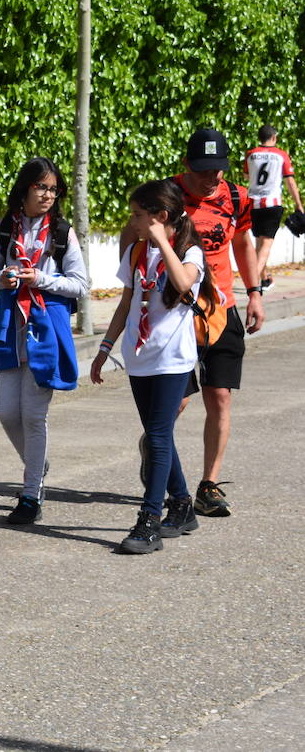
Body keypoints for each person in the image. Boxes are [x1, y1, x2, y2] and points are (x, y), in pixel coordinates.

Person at [121, 128, 264, 517]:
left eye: (219, 170)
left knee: (219, 396)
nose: (212, 178)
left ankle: (208, 485)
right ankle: (156, 448)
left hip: (220, 311)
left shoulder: (236, 197)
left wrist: (255, 292)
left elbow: (242, 245)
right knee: (174, 406)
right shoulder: (167, 196)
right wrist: (136, 278)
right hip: (176, 313)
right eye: (203, 171)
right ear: (187, 166)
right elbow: (133, 232)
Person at [92, 180, 208, 554]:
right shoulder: (136, 252)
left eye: (139, 215)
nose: (133, 222)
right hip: (139, 357)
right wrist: (105, 348)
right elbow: (126, 304)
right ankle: (181, 505)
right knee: (158, 435)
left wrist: (162, 243)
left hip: (172, 360)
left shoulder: (189, 253)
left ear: (161, 217)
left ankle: (149, 521)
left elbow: (183, 284)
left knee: (157, 437)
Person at [0, 158, 89, 524]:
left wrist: (41, 279)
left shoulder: (62, 232)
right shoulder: (4, 228)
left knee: (33, 415)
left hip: (46, 327)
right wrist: (6, 278)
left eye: (53, 189)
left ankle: (31, 495)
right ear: (25, 188)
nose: (47, 195)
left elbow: (80, 284)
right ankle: (37, 465)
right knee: (7, 413)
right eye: (40, 187)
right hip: (10, 327)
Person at [243, 123, 302, 290]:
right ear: (274, 137)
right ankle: (253, 284)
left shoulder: (251, 154)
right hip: (272, 203)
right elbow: (290, 181)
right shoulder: (281, 155)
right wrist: (299, 205)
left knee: (259, 244)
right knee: (266, 245)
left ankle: (265, 279)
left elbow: (246, 175)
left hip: (253, 203)